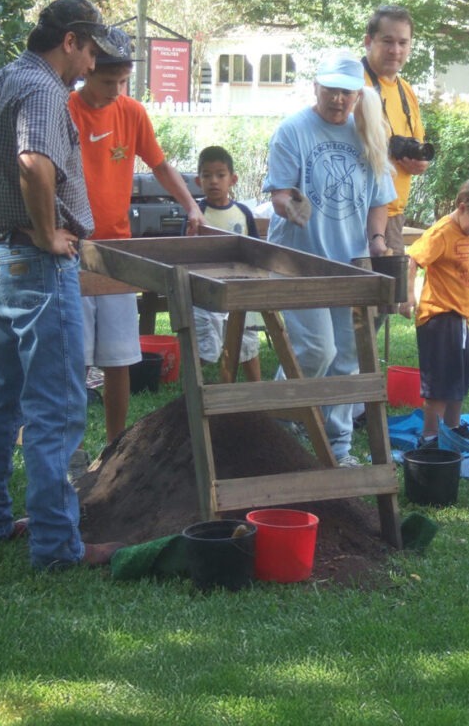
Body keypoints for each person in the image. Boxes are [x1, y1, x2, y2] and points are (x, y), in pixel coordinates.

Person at [0, 0, 124, 569]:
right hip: (36, 264)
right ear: (72, 39)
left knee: (1, 401)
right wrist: (49, 230)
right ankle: (57, 547)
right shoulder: (47, 90)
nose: (92, 64)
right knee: (57, 406)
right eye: (92, 50)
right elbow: (33, 162)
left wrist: (19, 204)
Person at [68, 27, 204, 445]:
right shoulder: (65, 109)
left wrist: (191, 204)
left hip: (119, 250)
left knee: (118, 357)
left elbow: (161, 165)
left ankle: (115, 446)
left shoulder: (132, 112)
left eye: (122, 82)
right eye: (108, 81)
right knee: (70, 360)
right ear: (88, 71)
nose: (115, 90)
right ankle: (67, 449)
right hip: (72, 249)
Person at [263, 50, 395, 466]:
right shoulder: (293, 131)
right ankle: (280, 416)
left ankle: (337, 448)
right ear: (316, 87)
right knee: (318, 350)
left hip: (351, 264)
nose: (339, 100)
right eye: (332, 91)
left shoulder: (368, 133)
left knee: (349, 357)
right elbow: (279, 192)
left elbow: (380, 199)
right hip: (298, 263)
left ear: (358, 96)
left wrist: (376, 240)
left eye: (347, 93)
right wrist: (290, 206)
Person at [400, 172, 469, 447]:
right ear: (462, 208)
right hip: (439, 317)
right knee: (440, 382)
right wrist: (406, 296)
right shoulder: (441, 233)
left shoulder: (466, 230)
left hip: (460, 316)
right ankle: (430, 436)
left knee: (459, 378)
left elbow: (458, 268)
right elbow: (410, 260)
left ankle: (453, 426)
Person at [361, 5, 430, 256]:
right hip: (361, 214)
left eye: (403, 42)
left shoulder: (406, 90)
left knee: (391, 295)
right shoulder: (354, 85)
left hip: (395, 214)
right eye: (387, 41)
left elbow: (417, 145)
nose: (395, 50)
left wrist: (418, 163)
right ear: (368, 41)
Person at [192, 145, 261, 382]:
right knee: (205, 345)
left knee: (247, 345)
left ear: (232, 179)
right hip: (205, 294)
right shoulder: (196, 213)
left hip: (240, 292)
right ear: (197, 180)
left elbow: (255, 250)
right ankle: (195, 390)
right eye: (207, 175)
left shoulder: (243, 213)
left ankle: (258, 397)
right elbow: (185, 251)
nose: (214, 181)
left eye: (220, 175)